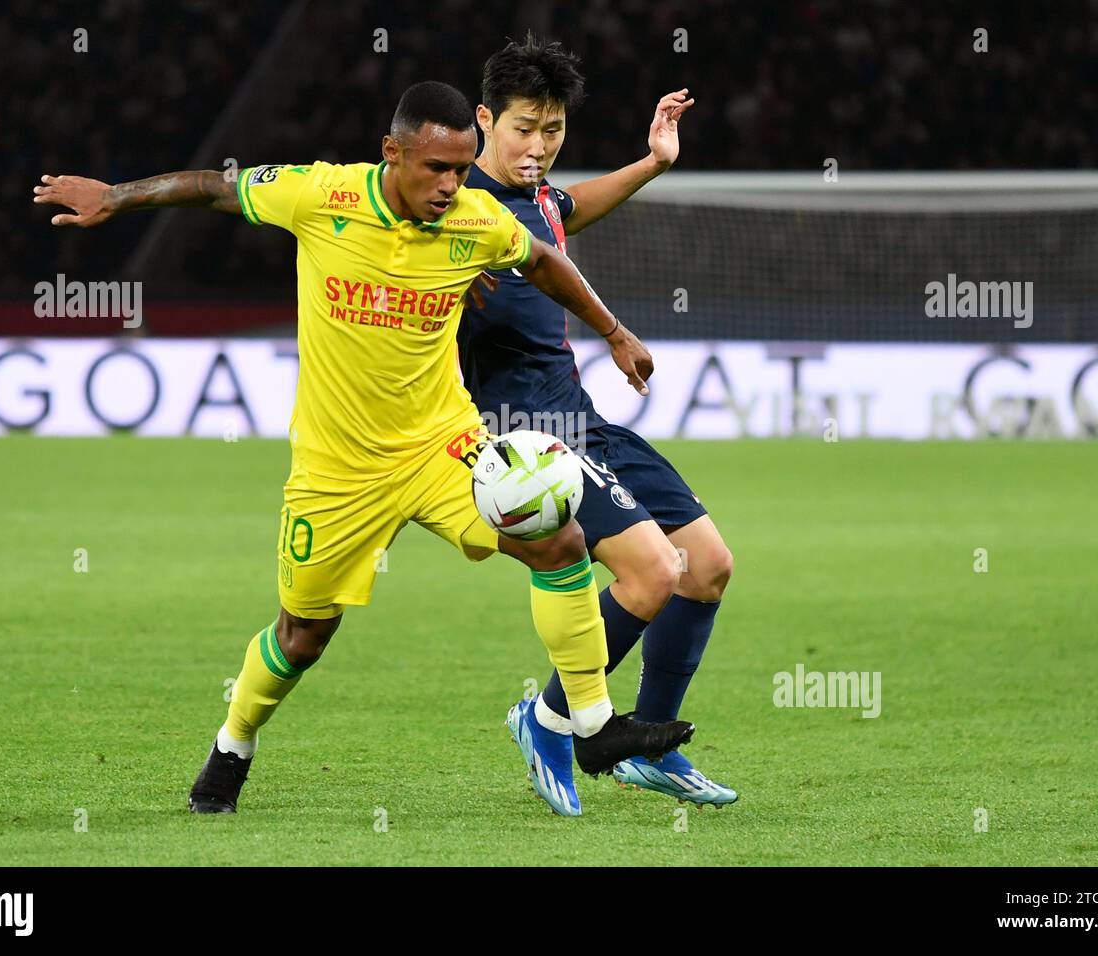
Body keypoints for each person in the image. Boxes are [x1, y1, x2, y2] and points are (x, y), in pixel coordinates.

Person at [34, 80, 693, 814]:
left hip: (443, 446)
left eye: (462, 167)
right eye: (436, 168)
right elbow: (214, 188)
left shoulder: (476, 220)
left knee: (558, 537)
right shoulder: (323, 197)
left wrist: (615, 333)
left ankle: (593, 726)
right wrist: (118, 196)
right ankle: (234, 744)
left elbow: (542, 260)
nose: (451, 185)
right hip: (337, 471)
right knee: (303, 635)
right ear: (392, 152)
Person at [458, 37, 736, 815]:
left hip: (583, 419)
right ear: (484, 120)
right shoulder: (458, 219)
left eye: (552, 130)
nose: (538, 147)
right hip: (527, 439)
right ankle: (547, 723)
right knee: (653, 573)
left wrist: (652, 163)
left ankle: (649, 744)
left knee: (707, 564)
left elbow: (573, 205)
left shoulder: (540, 197)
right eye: (522, 129)